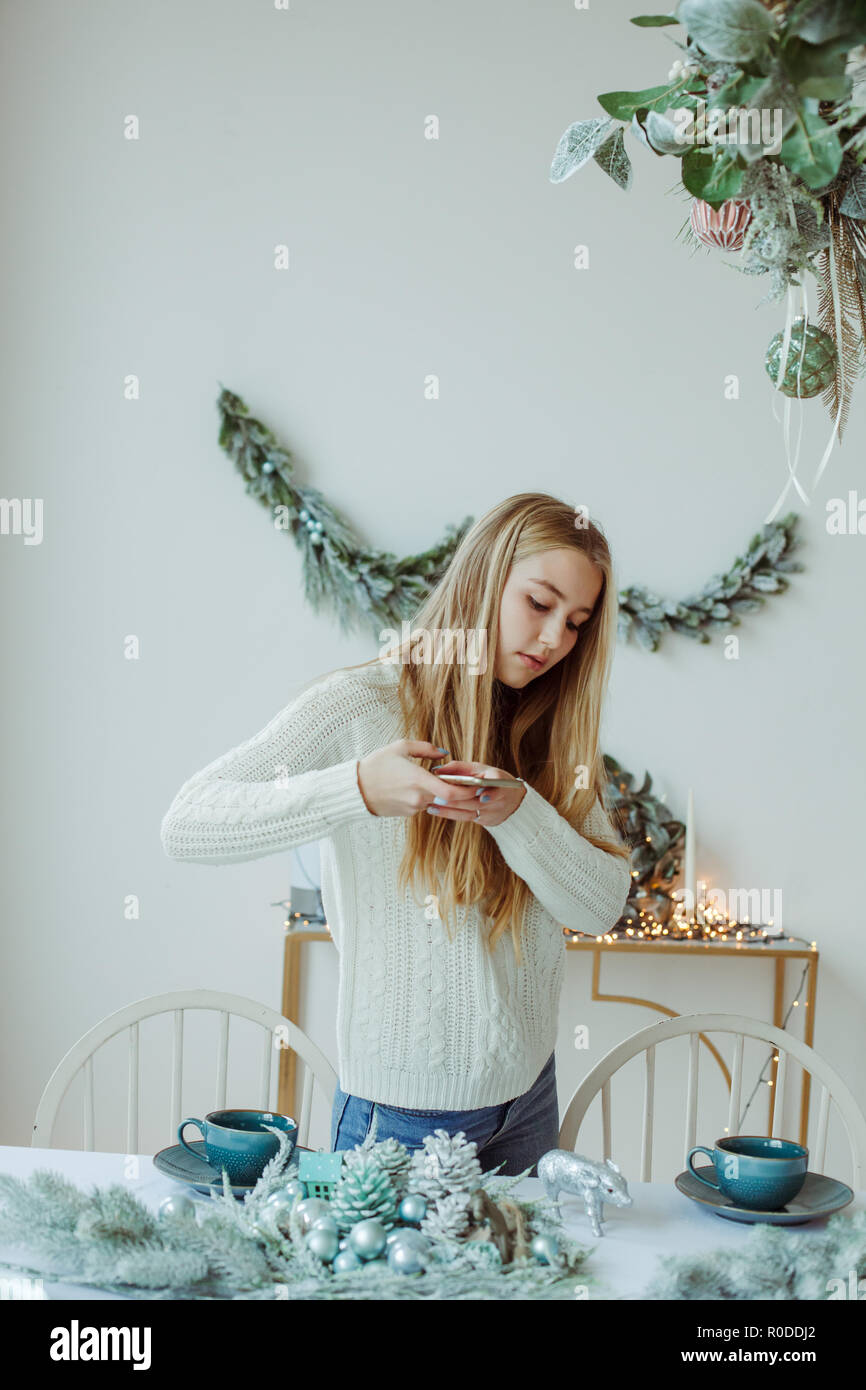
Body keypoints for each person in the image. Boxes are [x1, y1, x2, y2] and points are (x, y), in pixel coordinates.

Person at [160, 492, 632, 1177]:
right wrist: (357, 788)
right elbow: (189, 823)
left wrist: (520, 814)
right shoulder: (361, 704)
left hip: (529, 1100)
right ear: (482, 583)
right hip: (402, 1114)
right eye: (540, 603)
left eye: (577, 622)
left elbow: (600, 905)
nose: (556, 637)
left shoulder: (552, 732)